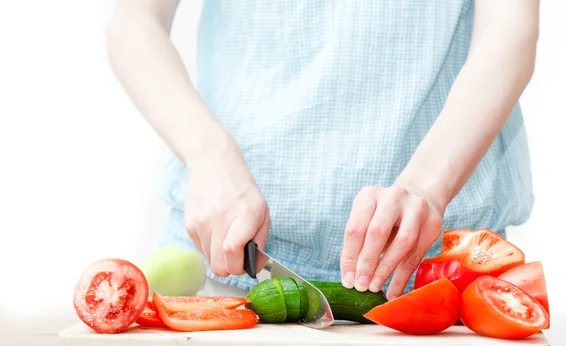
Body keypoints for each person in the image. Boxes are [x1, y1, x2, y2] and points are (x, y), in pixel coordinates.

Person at [106, 0, 539, 300]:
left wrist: (426, 187)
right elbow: (136, 19)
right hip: (230, 260)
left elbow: (509, 25)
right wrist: (207, 154)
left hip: (441, 274)